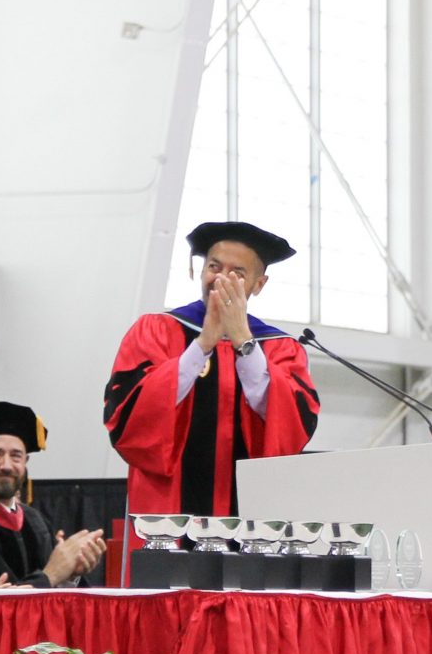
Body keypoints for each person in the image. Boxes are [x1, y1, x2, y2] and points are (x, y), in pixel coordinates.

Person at [104, 220, 320, 516]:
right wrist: (203, 344)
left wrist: (243, 341)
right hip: (168, 510)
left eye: (237, 273)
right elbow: (130, 417)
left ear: (259, 285)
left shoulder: (279, 348)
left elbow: (291, 427)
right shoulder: (157, 331)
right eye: (214, 267)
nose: (221, 279)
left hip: (248, 515)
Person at [0, 402, 106, 589]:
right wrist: (50, 576)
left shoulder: (34, 521)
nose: (7, 465)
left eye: (16, 456)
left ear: (26, 461)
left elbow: (55, 588)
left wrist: (71, 573)